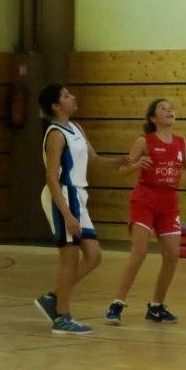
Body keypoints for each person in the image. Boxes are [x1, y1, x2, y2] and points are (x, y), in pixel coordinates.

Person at [104, 98, 186, 324]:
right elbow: (121, 170)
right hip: (144, 200)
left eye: (171, 108)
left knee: (172, 255)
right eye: (163, 108)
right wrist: (136, 165)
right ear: (153, 118)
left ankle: (156, 307)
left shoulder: (181, 142)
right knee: (139, 251)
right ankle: (117, 303)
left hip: (168, 203)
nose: (169, 110)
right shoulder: (144, 141)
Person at [32, 84, 132, 335]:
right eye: (66, 95)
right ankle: (62, 316)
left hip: (78, 195)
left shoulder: (76, 128)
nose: (72, 97)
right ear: (56, 106)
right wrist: (67, 215)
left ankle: (54, 297)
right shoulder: (55, 134)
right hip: (62, 196)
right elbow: (51, 177)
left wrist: (118, 162)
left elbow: (94, 160)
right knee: (70, 258)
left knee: (94, 256)